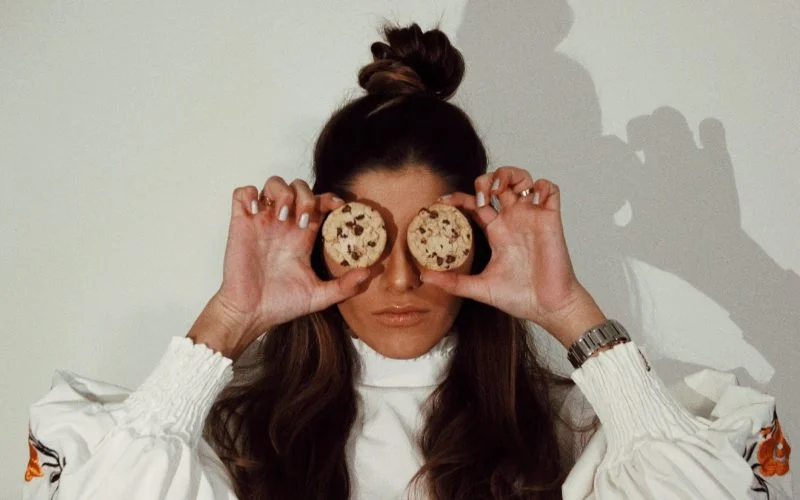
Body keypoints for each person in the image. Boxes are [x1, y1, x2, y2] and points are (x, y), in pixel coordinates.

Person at [23, 22, 791, 500]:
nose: (399, 277)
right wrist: (228, 320)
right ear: (320, 245)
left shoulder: (578, 433)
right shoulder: (231, 441)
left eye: (426, 236)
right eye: (368, 240)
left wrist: (567, 311)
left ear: (477, 241)